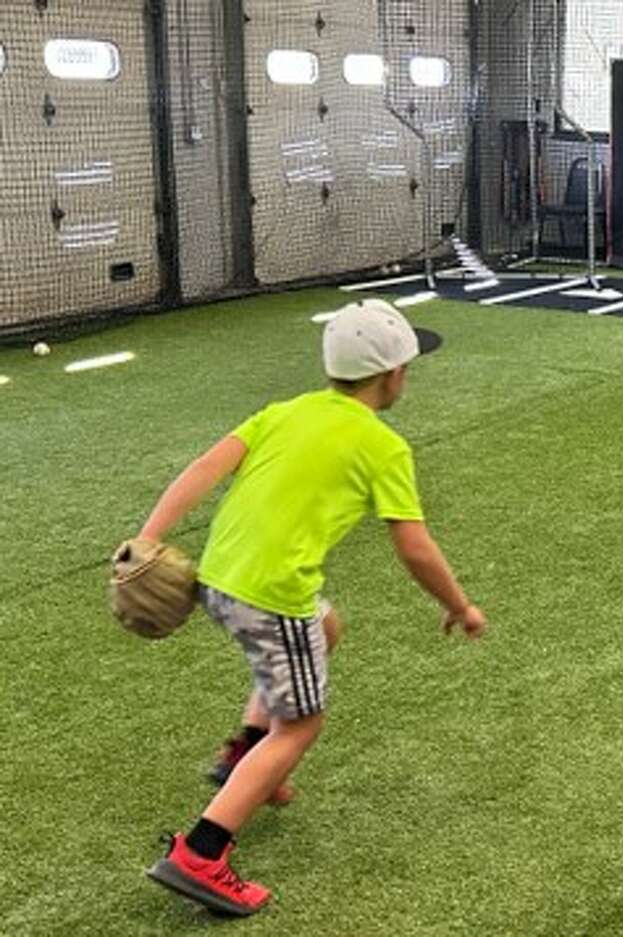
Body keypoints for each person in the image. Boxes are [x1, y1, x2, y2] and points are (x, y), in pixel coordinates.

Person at [140, 298, 487, 917]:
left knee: (325, 627)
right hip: (272, 598)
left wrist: (147, 540)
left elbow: (203, 468)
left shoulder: (284, 412)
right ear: (394, 374)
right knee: (300, 725)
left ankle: (242, 753)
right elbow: (414, 546)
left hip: (217, 579)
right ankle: (202, 852)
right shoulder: (383, 447)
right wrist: (459, 605)